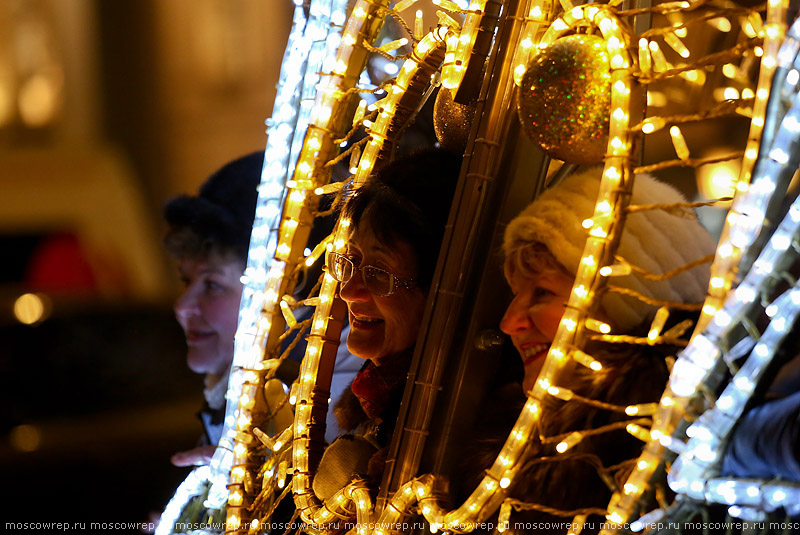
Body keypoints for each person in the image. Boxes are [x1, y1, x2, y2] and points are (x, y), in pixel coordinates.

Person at [457, 166, 716, 533]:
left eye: (542, 292)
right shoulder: (512, 445)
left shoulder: (676, 467)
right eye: (515, 295)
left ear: (629, 299)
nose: (509, 322)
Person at [163, 152, 359, 465]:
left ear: (287, 292)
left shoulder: (331, 390)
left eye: (212, 285)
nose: (182, 307)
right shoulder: (237, 385)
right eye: (185, 282)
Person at [311, 148, 462, 502]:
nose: (348, 291)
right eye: (351, 260)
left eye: (379, 273)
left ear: (441, 286)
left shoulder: (456, 432)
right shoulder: (374, 405)